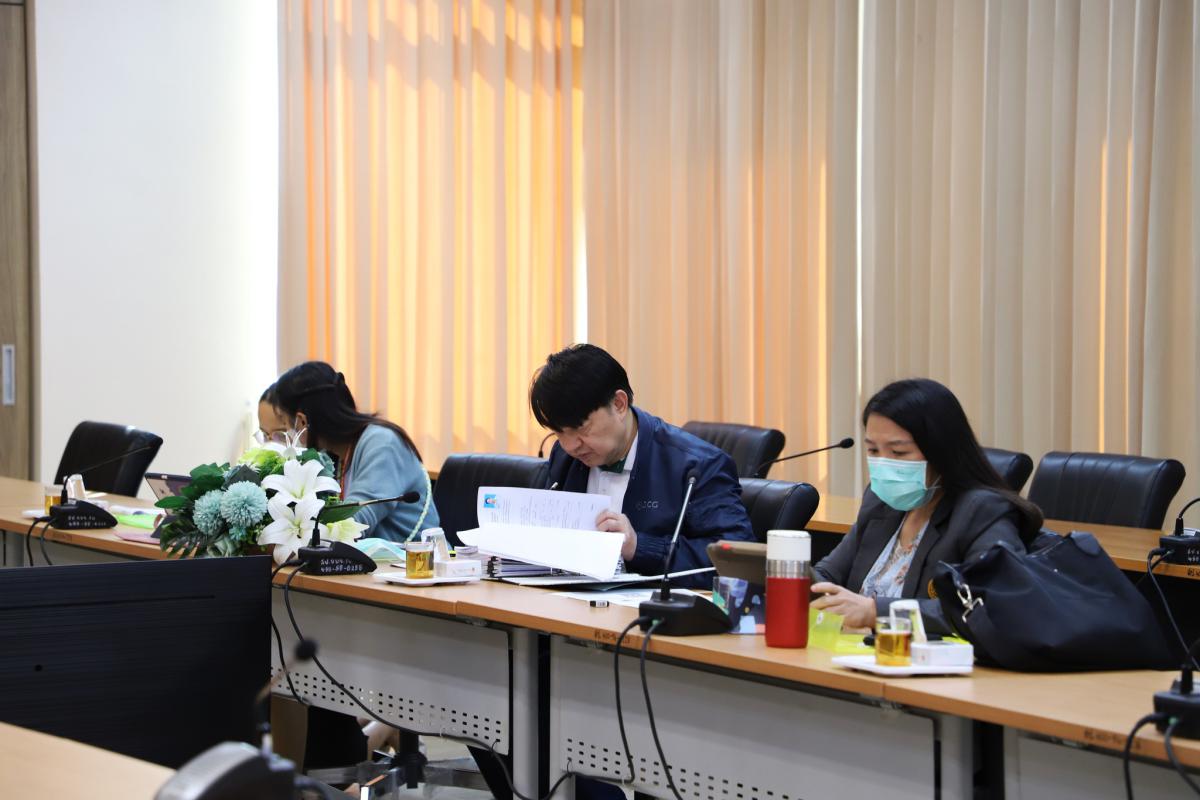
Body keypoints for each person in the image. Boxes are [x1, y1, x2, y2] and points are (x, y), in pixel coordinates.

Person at [812, 378, 1043, 634]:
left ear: (941, 451)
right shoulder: (880, 501)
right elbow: (827, 575)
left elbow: (991, 606)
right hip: (852, 651)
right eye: (873, 451)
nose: (884, 464)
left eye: (898, 453)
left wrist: (876, 612)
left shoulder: (982, 511)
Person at [530, 344, 756, 586]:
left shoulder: (696, 466)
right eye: (559, 433)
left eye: (580, 429)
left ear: (619, 404)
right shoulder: (565, 457)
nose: (570, 445)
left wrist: (638, 546)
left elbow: (736, 561)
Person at [258, 361, 439, 542]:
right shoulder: (333, 453)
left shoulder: (382, 444)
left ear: (302, 421)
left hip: (415, 558)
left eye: (284, 422)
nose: (284, 432)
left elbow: (353, 525)